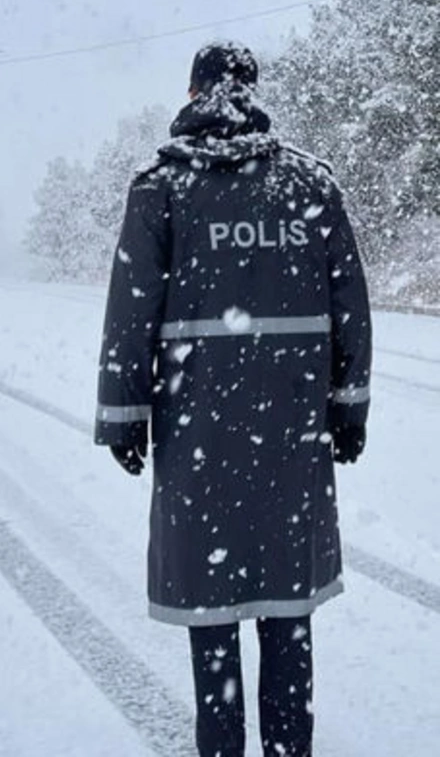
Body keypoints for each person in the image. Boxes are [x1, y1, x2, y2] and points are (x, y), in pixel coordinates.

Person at [95, 41, 371, 757]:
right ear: (253, 90)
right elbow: (351, 306)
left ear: (193, 92)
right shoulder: (311, 186)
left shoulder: (162, 189)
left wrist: (123, 414)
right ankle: (289, 747)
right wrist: (349, 402)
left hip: (200, 437)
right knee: (288, 609)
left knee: (212, 611)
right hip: (292, 435)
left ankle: (221, 745)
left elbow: (131, 312)